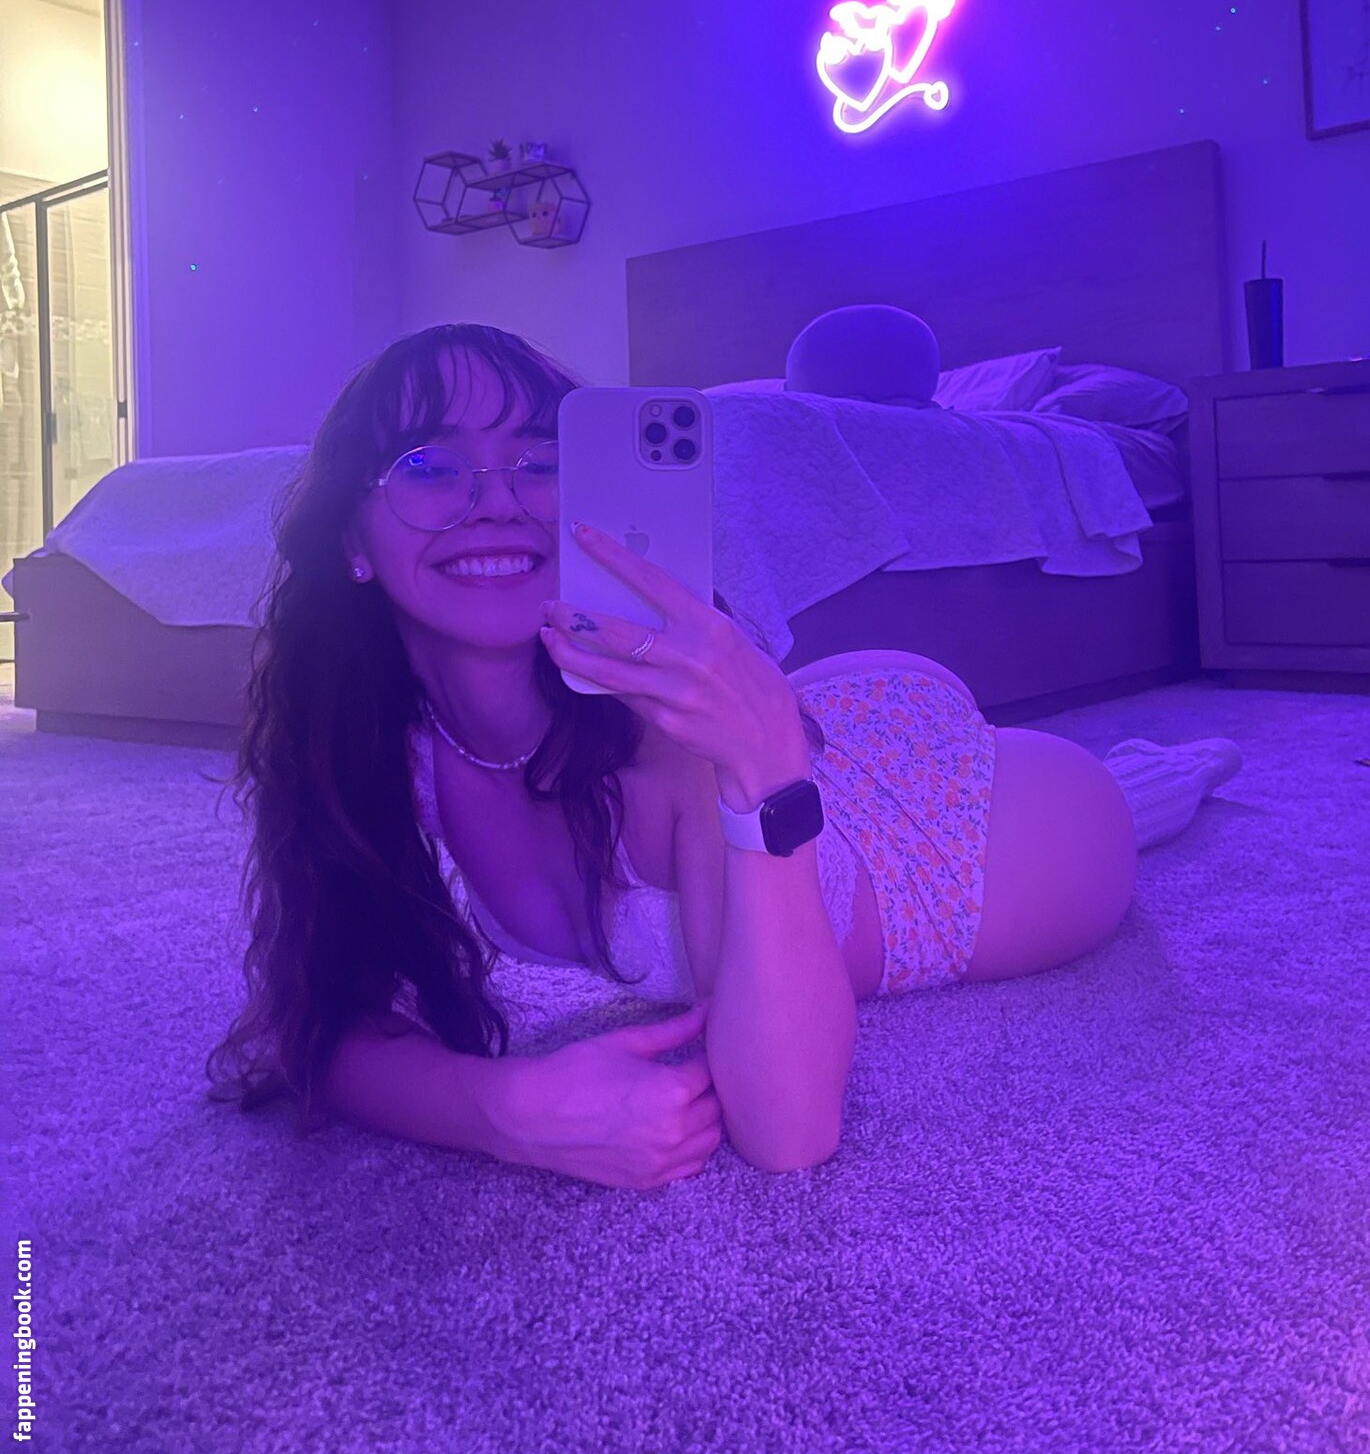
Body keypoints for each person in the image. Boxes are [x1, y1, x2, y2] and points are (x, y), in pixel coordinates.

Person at [206, 322, 1240, 1190]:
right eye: (429, 466)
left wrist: (763, 767)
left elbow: (789, 1134)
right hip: (818, 730)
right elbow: (317, 1025)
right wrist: (502, 1109)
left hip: (960, 827)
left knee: (1128, 800)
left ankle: (1177, 770)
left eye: (541, 461)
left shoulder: (666, 740)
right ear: (351, 539)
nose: (497, 500)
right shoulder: (378, 742)